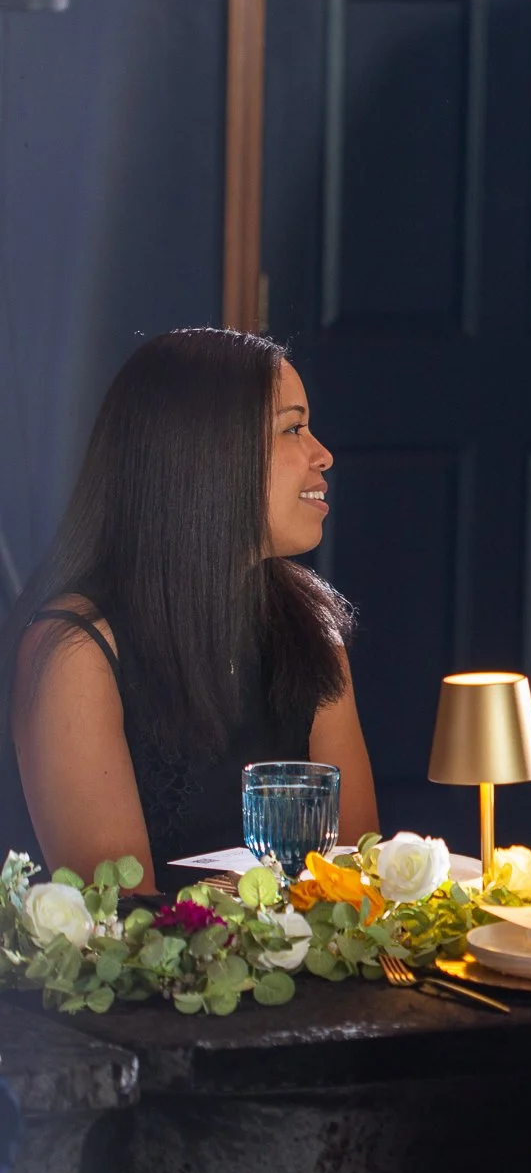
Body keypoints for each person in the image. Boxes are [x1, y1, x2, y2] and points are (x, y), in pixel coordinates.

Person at [2, 328, 378, 891]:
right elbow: (119, 919)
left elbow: (356, 882)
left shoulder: (310, 626)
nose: (322, 454)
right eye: (292, 429)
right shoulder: (76, 650)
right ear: (209, 454)